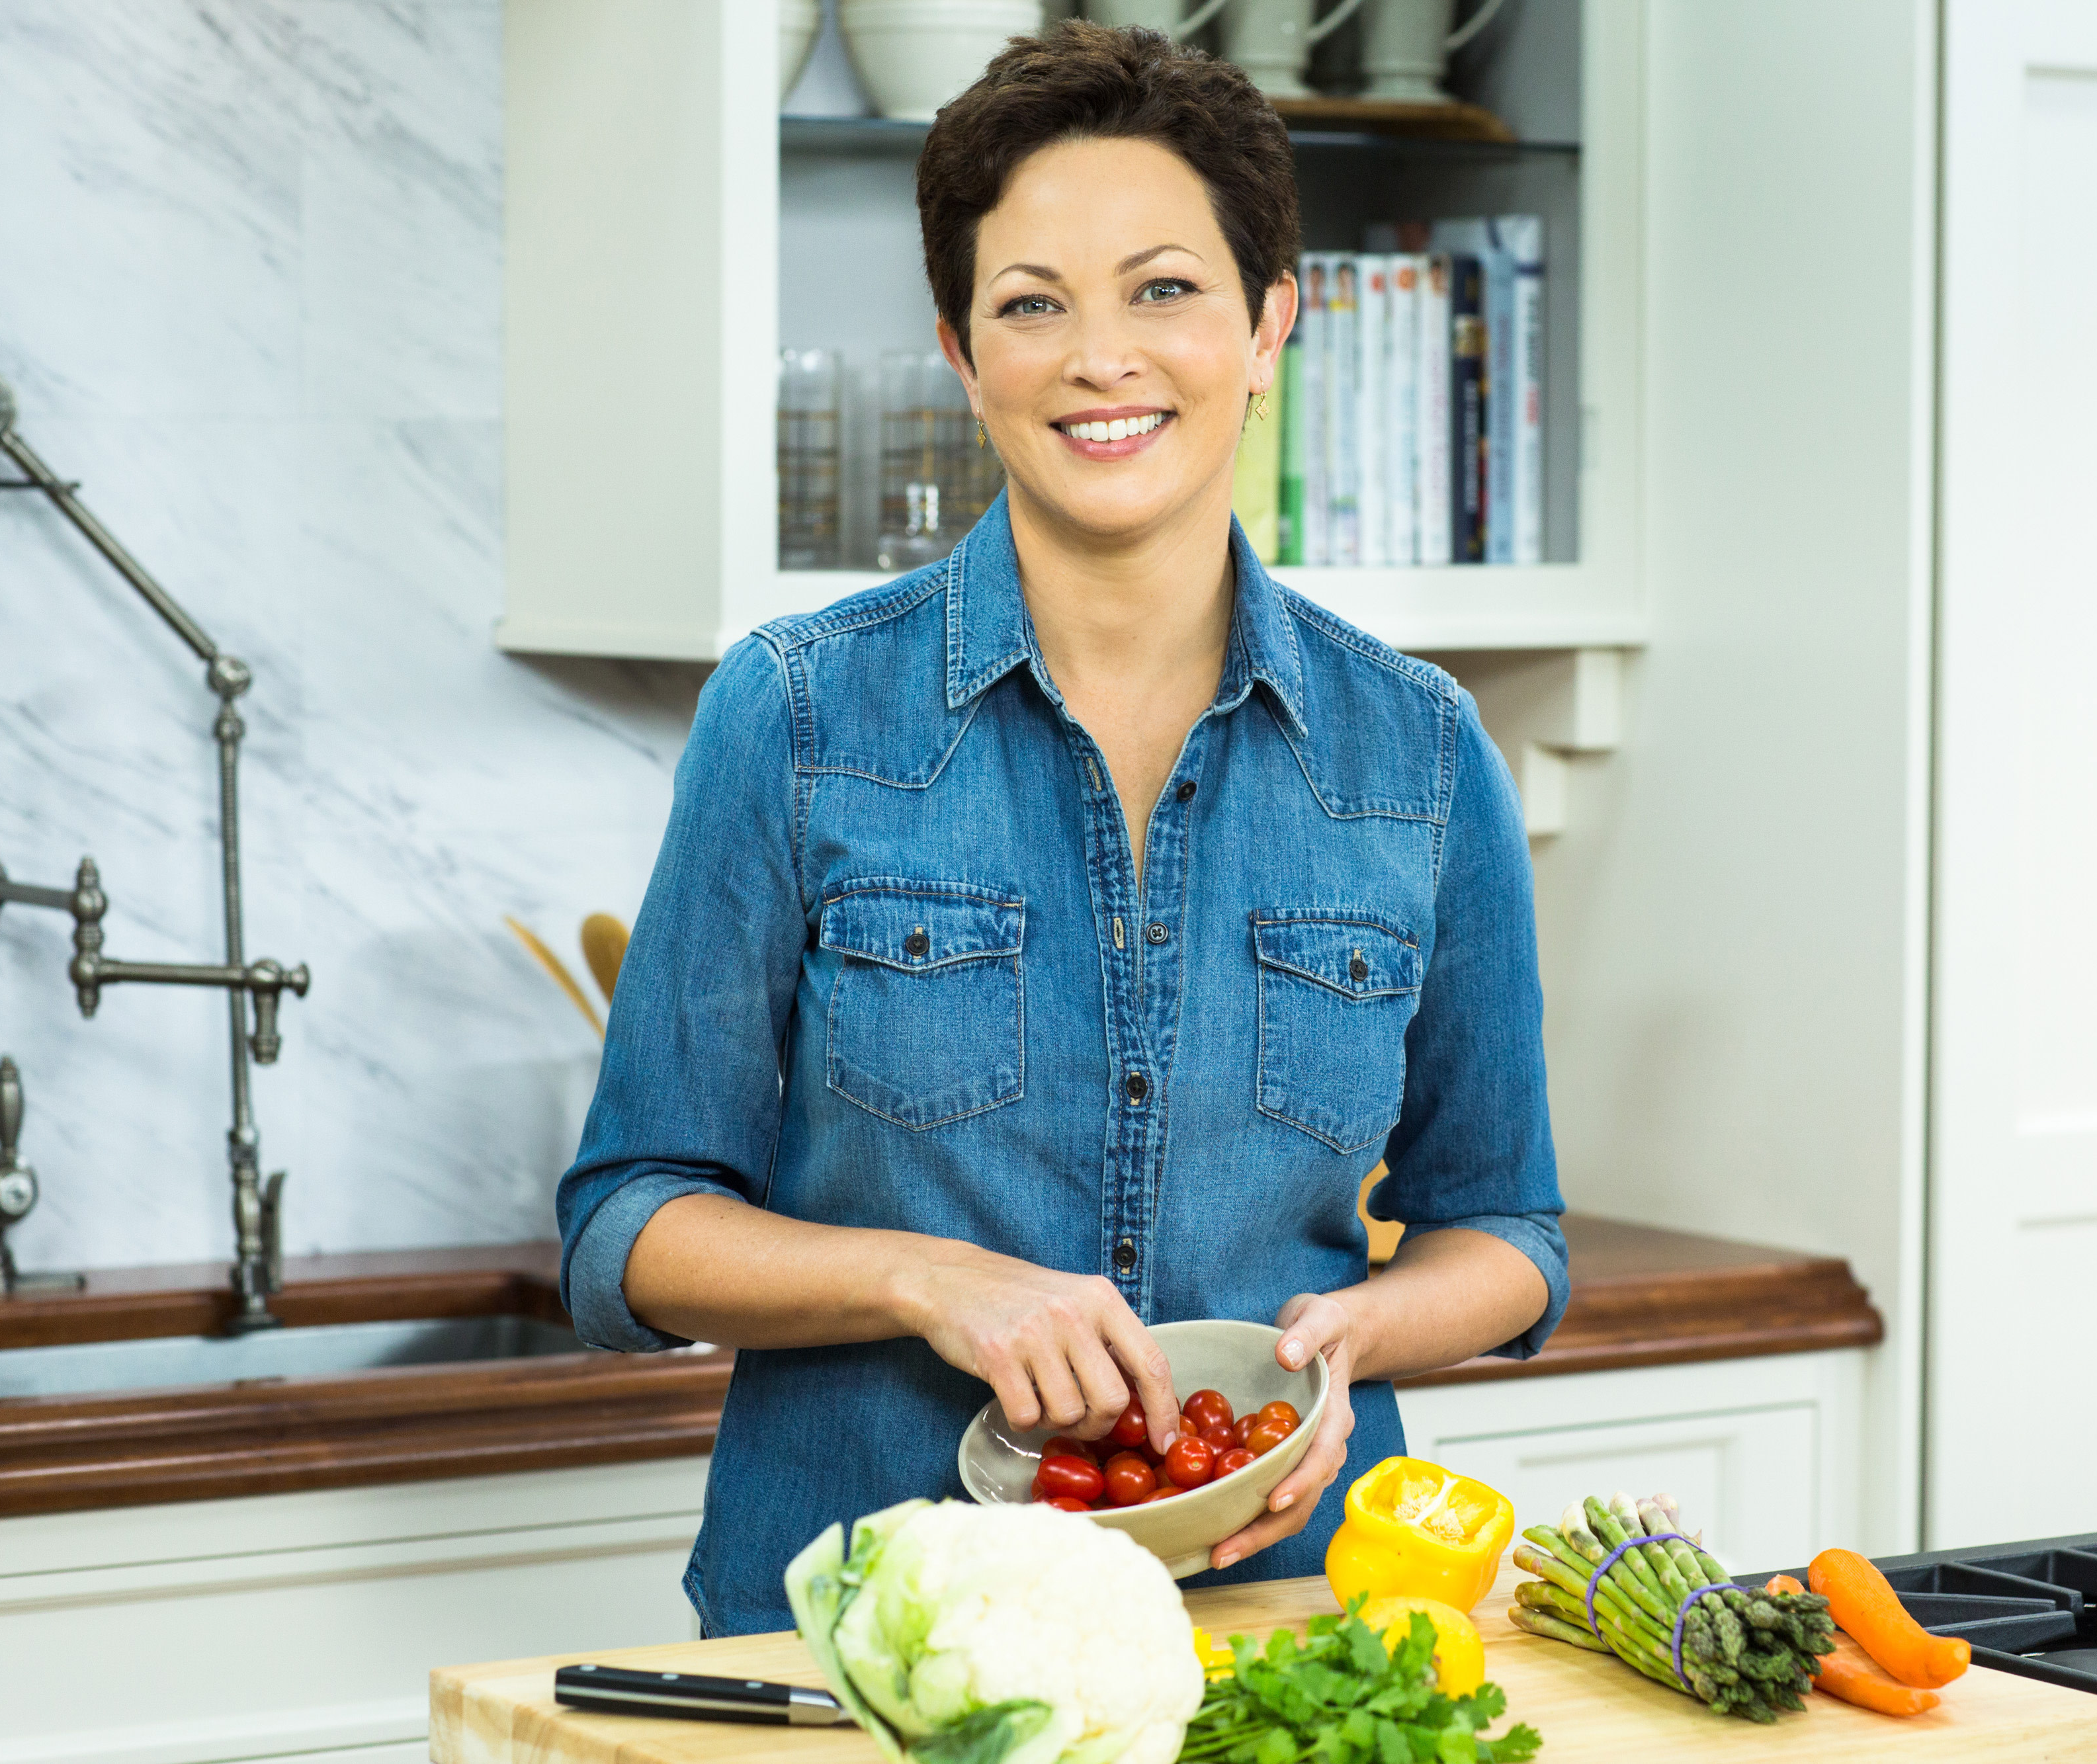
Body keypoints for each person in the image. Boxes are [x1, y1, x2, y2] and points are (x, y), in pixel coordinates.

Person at [556, 19, 1566, 1639]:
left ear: (1267, 326)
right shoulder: (798, 713)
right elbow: (627, 1222)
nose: (1101, 356)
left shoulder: (1422, 754)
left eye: (1163, 289)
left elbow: (1504, 1227)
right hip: (868, 1623)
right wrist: (921, 1277)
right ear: (964, 357)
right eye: (1032, 304)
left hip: (1286, 1621)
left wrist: (1341, 1348)